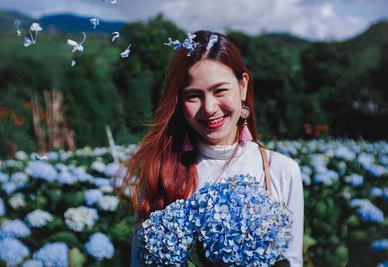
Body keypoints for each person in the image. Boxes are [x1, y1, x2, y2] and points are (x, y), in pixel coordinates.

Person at [116, 30, 304, 267]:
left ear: (243, 86)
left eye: (220, 90)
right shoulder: (159, 170)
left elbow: (292, 261)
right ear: (178, 101)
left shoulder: (283, 171)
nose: (209, 108)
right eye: (193, 96)